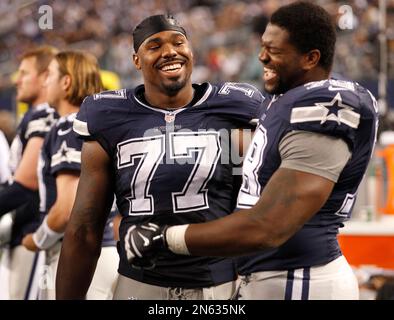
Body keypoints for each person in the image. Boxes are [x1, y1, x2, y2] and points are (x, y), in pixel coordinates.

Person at [124, 2, 379, 300]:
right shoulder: (283, 101)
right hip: (271, 277)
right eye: (263, 46)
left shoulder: (322, 107)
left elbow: (269, 225)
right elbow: (260, 160)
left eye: (275, 51)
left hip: (300, 278)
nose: (262, 57)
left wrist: (165, 237)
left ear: (310, 58)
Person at [56, 14, 263, 300]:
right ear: (136, 60)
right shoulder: (108, 115)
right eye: (154, 45)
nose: (170, 51)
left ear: (191, 51)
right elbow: (84, 228)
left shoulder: (235, 107)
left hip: (216, 286)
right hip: (139, 284)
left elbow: (251, 208)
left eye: (179, 42)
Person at [20, 50, 119, 300]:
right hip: (105, 252)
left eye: (50, 75)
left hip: (76, 256)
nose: (45, 81)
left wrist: (37, 239)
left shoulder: (69, 126)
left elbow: (67, 207)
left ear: (66, 82)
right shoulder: (100, 125)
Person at [0, 46, 58, 299]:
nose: (17, 79)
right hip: (23, 230)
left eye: (24, 73)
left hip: (34, 232)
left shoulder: (44, 115)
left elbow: (26, 185)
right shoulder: (33, 116)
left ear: (46, 76)